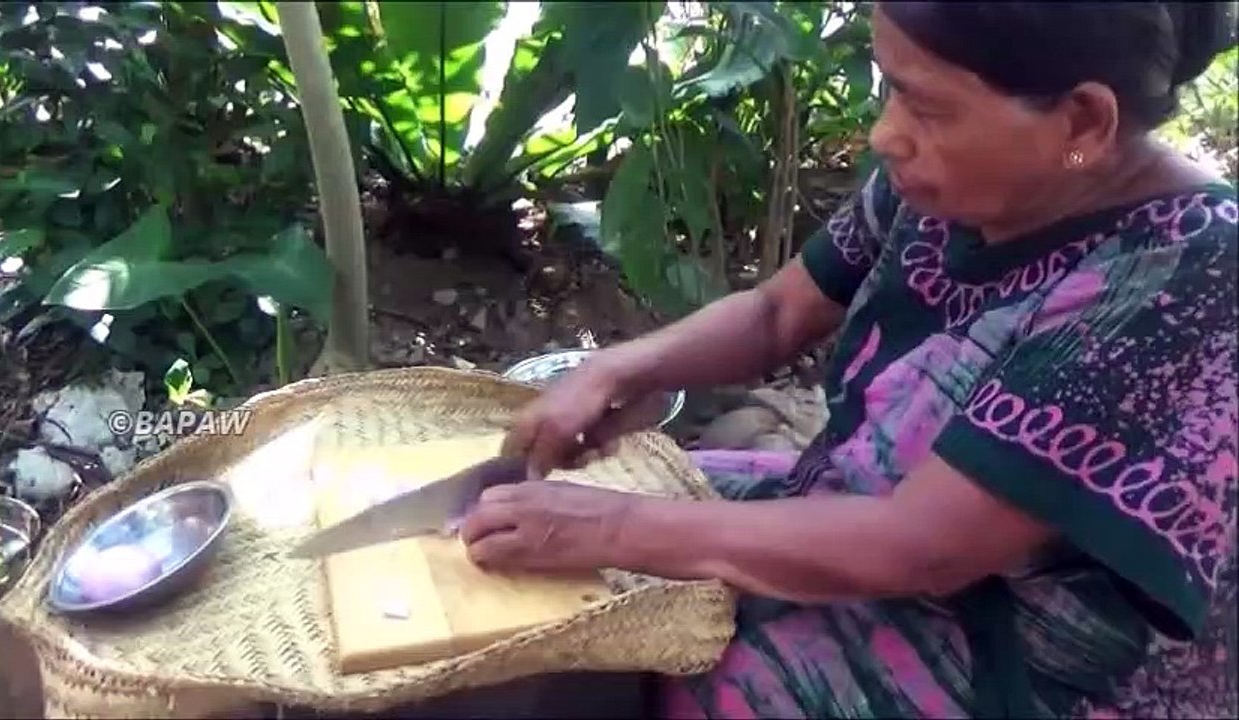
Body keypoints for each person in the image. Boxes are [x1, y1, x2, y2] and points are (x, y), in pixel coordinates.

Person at [458, 2, 1238, 717]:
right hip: (872, 521)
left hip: (1020, 654)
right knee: (579, 530)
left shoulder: (1183, 276)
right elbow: (779, 312)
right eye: (891, 89)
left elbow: (924, 548)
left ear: (1082, 122)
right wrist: (617, 371)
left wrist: (619, 529)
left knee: (655, 672)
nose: (885, 134)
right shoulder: (957, 179)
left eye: (926, 105)